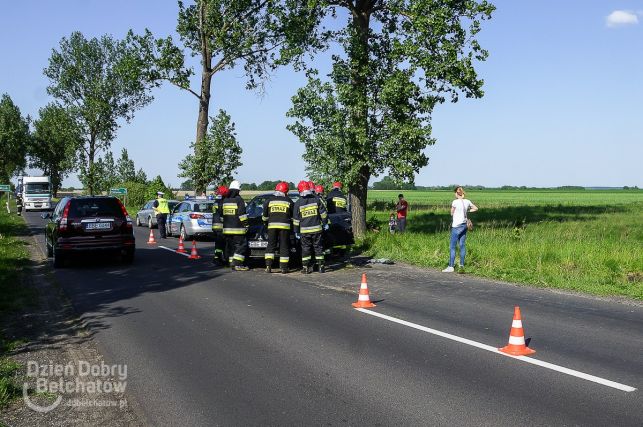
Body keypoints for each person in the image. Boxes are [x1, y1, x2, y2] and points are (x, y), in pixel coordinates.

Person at [293, 180, 328, 274]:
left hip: (304, 231)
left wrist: (296, 231)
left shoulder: (298, 203)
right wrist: (325, 223)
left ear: (300, 190)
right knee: (318, 247)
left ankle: (305, 268)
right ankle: (321, 267)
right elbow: (323, 213)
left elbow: (296, 220)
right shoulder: (316, 199)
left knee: (305, 249)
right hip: (317, 229)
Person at [443, 186, 478, 273]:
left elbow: (451, 213)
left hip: (456, 226)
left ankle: (451, 266)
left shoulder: (455, 202)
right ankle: (461, 265)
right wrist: (468, 211)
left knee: (452, 247)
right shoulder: (467, 201)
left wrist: (454, 212)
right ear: (463, 193)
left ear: (456, 193)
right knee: (462, 245)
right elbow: (476, 208)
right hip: (464, 225)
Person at [262, 182, 295, 274]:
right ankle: (284, 268)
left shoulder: (269, 201)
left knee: (271, 245)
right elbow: (293, 217)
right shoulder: (289, 201)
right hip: (285, 227)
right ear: (286, 191)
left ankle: (268, 266)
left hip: (271, 226)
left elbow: (264, 216)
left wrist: (266, 223)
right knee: (284, 246)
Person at [222, 180, 249, 271]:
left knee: (230, 247)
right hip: (237, 229)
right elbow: (242, 215)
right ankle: (237, 264)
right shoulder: (239, 200)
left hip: (226, 229)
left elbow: (223, 216)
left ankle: (231, 262)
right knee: (242, 245)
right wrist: (246, 225)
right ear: (238, 190)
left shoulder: (225, 200)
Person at [211, 185, 228, 266]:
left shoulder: (216, 201)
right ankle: (217, 258)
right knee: (221, 243)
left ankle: (218, 258)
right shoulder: (222, 202)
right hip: (220, 226)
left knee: (218, 243)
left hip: (215, 225)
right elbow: (223, 215)